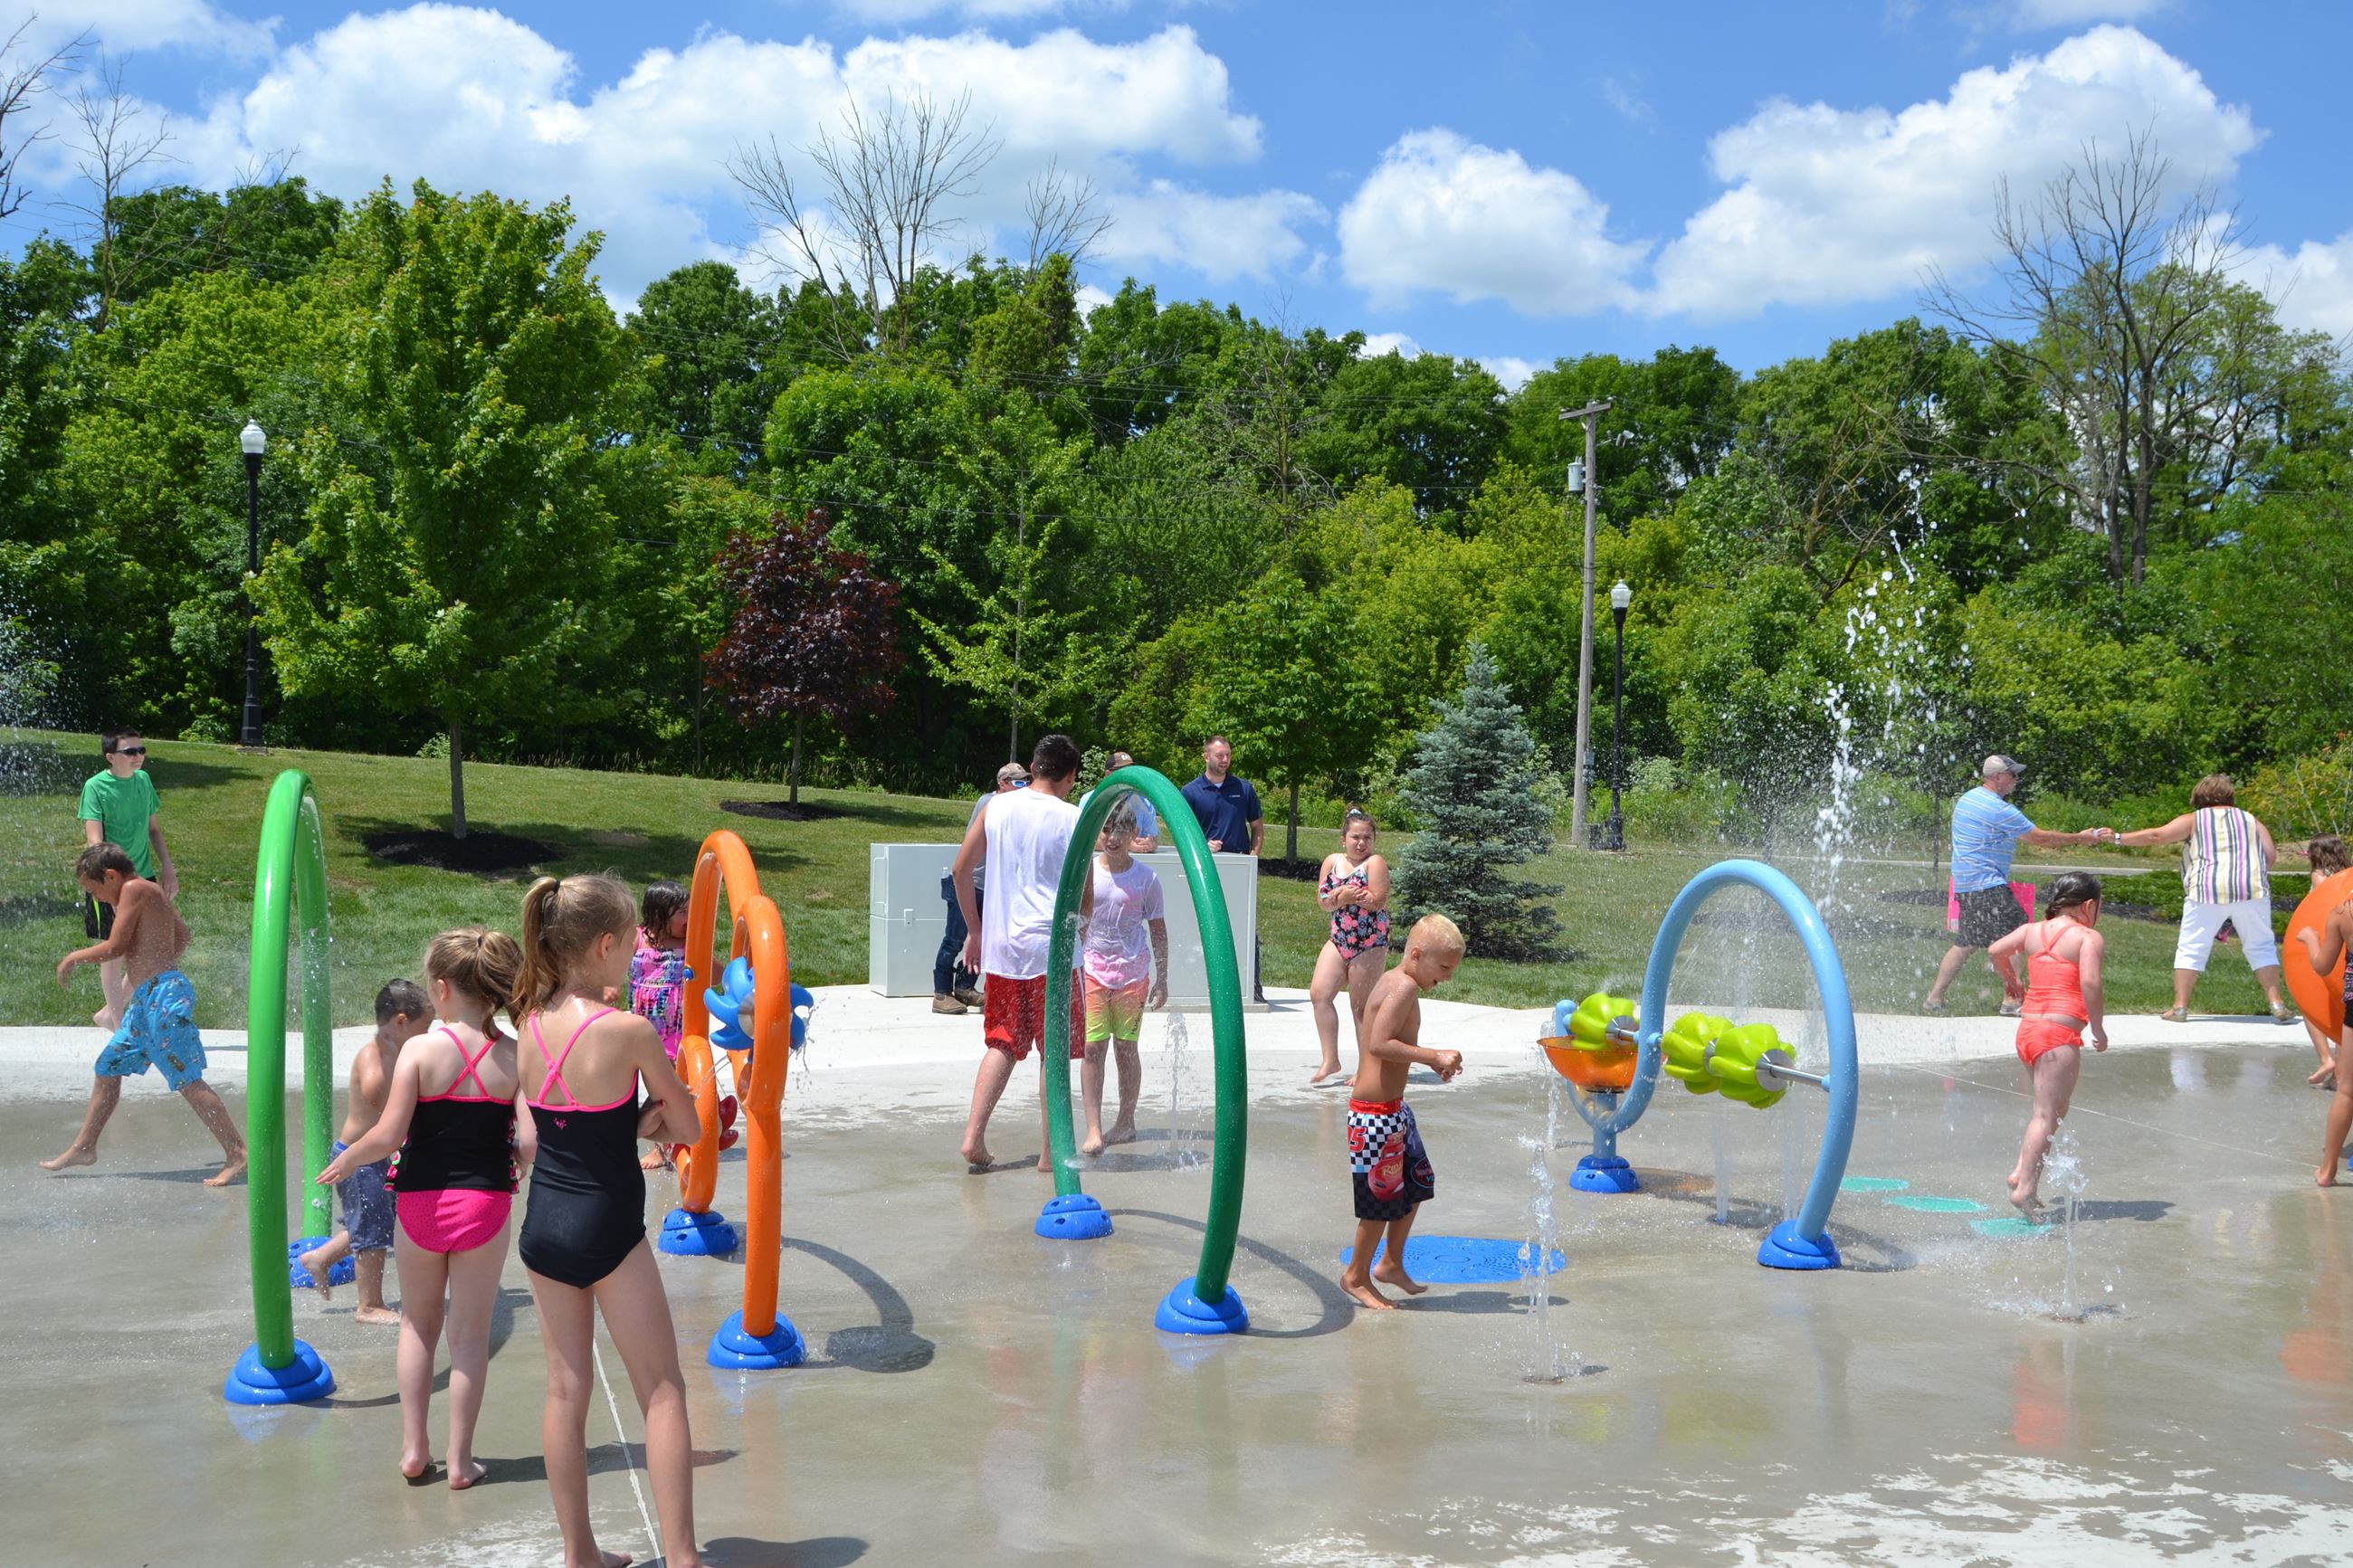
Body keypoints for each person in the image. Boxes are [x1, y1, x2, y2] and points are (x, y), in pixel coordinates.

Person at [512, 874, 706, 1568]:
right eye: (628, 944)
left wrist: (629, 1121)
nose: (634, 956)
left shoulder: (528, 1025)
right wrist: (654, 1117)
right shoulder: (628, 1030)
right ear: (601, 945)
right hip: (608, 1227)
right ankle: (682, 1556)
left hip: (543, 1231)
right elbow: (686, 1123)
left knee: (565, 1388)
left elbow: (563, 1125)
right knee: (661, 1390)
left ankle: (580, 1553)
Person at [319, 930, 525, 1487]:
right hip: (484, 1204)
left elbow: (389, 1133)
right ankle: (460, 1462)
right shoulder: (513, 1054)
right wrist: (517, 1161)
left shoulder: (419, 1050)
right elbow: (527, 1142)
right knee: (468, 1335)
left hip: (420, 1203)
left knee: (418, 1324)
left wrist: (346, 1160)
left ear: (440, 989)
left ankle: (414, 1449)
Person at [43, 843, 244, 1185]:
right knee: (108, 1067)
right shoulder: (150, 892)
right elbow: (182, 935)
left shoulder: (135, 889)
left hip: (163, 999)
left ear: (111, 876)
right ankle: (85, 1146)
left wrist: (73, 957)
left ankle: (237, 1152)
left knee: (187, 1079)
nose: (100, 900)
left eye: (95, 891)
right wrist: (150, 969)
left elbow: (115, 947)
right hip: (149, 999)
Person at [953, 735, 1082, 1172]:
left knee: (1003, 1042)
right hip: (1054, 952)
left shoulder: (997, 806)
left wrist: (975, 931)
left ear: (1032, 766)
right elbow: (1084, 895)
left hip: (1004, 948)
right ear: (1070, 777)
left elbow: (960, 870)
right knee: (1055, 1050)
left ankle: (973, 1137)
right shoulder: (1072, 817)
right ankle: (1051, 1155)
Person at [1338, 915, 1466, 1312]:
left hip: (1393, 1112)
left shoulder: (1401, 984)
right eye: (1443, 967)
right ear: (1416, 955)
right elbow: (1379, 1044)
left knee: (1415, 1185)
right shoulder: (1403, 987)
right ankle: (1356, 1275)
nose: (1446, 977)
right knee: (1381, 1203)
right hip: (1373, 1117)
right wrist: (1432, 1057)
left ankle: (1391, 1263)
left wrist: (1431, 1062)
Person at [1922, 755, 2110, 1016]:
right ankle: (2012, 1001)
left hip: (1967, 883)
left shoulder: (1968, 799)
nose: (2017, 780)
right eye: (2013, 775)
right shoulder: (1996, 808)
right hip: (1987, 883)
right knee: (2019, 936)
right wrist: (2080, 838)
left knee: (1967, 941)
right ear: (1997, 777)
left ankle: (1934, 997)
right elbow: (2039, 838)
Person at [298, 977, 433, 1325]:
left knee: (378, 1222)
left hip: (377, 1157)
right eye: (425, 1027)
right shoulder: (374, 1060)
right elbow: (382, 1103)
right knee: (372, 1232)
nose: (429, 1035)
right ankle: (368, 1305)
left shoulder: (397, 1051)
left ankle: (321, 1257)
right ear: (401, 1022)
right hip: (358, 1159)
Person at [2111, 774, 2293, 1024]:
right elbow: (2269, 857)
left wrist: (2118, 838)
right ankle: (2276, 1003)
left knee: (2191, 946)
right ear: (2230, 796)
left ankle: (2180, 1008)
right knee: (2261, 945)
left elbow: (2156, 836)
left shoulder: (2195, 820)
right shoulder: (2252, 821)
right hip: (2252, 889)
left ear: (2200, 797)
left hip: (2206, 889)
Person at [1989, 874, 2110, 1219]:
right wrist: (2098, 1028)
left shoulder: (2031, 931)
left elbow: (1995, 950)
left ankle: (2020, 1171)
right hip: (2058, 1037)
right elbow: (2090, 981)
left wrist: (2013, 982)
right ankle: (2025, 1187)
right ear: (2089, 905)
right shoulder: (2087, 937)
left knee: (2044, 1112)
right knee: (2048, 1114)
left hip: (2028, 1032)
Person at [1078, 804, 1168, 1155]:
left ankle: (1126, 1121)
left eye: (1121, 832)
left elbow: (1158, 930)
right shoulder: (1088, 874)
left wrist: (1163, 978)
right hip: (1093, 972)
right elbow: (1077, 924)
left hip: (1132, 974)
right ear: (1097, 834)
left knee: (1126, 1049)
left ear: (1135, 837)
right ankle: (1094, 1128)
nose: (1113, 838)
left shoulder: (1146, 879)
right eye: (1107, 830)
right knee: (1092, 1048)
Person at [77, 729, 177, 1031]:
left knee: (155, 948)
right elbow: (95, 843)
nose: (138, 756)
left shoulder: (143, 781)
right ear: (111, 757)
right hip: (108, 881)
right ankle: (119, 1025)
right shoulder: (95, 787)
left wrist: (168, 869)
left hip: (142, 876)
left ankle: (110, 1013)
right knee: (114, 951)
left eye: (141, 750)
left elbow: (154, 830)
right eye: (130, 752)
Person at [1310, 808, 1391, 1086]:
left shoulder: (1375, 863)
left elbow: (1377, 900)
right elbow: (1322, 900)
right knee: (1319, 994)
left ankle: (1367, 1067)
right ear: (1343, 838)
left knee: (1360, 1007)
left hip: (1369, 941)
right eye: (1355, 837)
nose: (1361, 843)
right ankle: (1330, 1059)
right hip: (1339, 938)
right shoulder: (1332, 861)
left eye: (1367, 837)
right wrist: (1342, 897)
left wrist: (1343, 896)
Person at [936, 763, 1024, 1016]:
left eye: (1025, 782)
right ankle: (941, 992)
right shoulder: (990, 802)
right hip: (970, 883)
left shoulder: (1013, 806)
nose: (1023, 787)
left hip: (991, 886)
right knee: (955, 938)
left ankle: (965, 987)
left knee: (983, 940)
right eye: (1018, 782)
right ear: (1003, 783)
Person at [1180, 736, 1264, 1001]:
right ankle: (1196, 987)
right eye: (1219, 756)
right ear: (1206, 757)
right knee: (1201, 926)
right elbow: (1182, 832)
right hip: (1205, 868)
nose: (1225, 760)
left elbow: (1258, 828)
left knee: (1246, 928)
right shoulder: (1190, 792)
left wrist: (1253, 857)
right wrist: (1203, 846)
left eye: (1228, 755)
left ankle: (1253, 989)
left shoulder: (1244, 789)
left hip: (1239, 868)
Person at [2291, 892, 2353, 1185]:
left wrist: (2309, 938)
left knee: (2348, 1092)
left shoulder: (2343, 913)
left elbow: (2322, 966)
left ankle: (2328, 1171)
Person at [631, 879, 692, 1169]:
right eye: (682, 912)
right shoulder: (637, 938)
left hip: (676, 1029)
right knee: (656, 1092)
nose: (689, 917)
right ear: (658, 914)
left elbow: (715, 972)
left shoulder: (689, 944)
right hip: (644, 1031)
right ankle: (660, 1148)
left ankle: (690, 1134)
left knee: (676, 1086)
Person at [2300, 836, 2352, 1086]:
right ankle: (2338, 1076)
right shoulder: (2347, 876)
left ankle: (2325, 1059)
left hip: (2326, 942)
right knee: (2341, 1010)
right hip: (2344, 946)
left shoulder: (2319, 876)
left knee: (2310, 1004)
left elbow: (2322, 906)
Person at [1078, 750, 1160, 851]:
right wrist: (1127, 844)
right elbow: (1082, 841)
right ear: (1108, 774)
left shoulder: (1145, 802)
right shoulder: (1090, 800)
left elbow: (1154, 839)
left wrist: (1151, 844)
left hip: (1137, 864)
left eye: (1131, 771)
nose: (1129, 776)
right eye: (1123, 772)